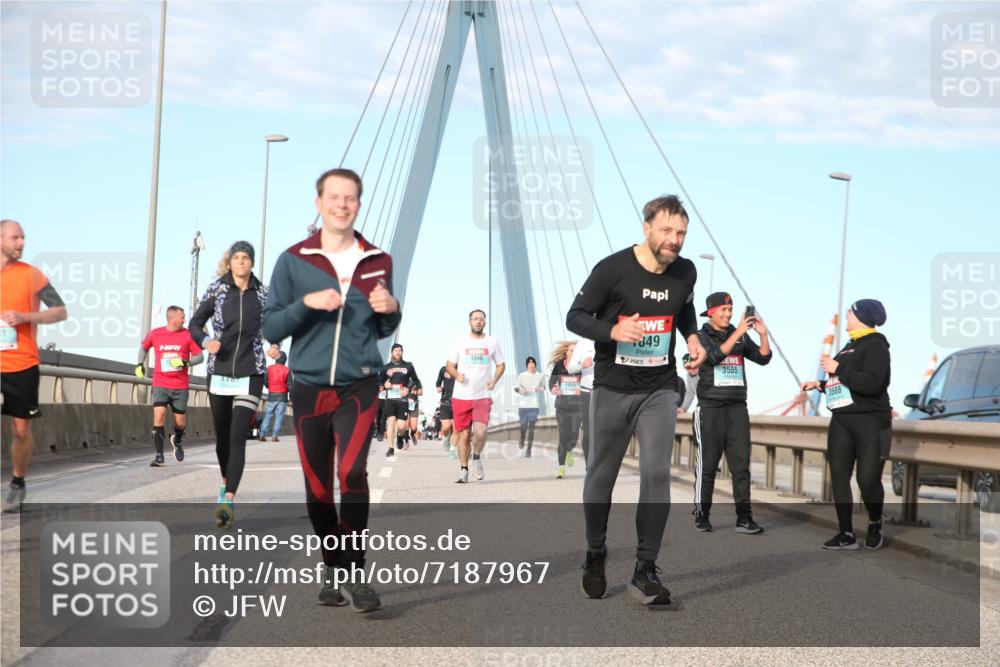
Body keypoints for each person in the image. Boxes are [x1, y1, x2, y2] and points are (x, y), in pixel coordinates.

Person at [264, 167, 401, 612]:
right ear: (319, 202)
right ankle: (332, 566)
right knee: (319, 488)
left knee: (352, 473)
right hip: (309, 387)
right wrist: (306, 304)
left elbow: (383, 327)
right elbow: (271, 327)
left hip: (359, 383)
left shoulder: (379, 259)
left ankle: (356, 572)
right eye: (334, 197)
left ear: (358, 204)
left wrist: (391, 309)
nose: (342, 205)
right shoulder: (293, 260)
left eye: (350, 198)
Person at [566, 194, 705, 606]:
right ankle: (595, 550)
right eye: (666, 230)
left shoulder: (686, 272)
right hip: (613, 387)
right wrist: (612, 332)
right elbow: (575, 316)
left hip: (659, 389)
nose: (674, 239)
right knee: (601, 474)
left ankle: (645, 569)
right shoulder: (613, 269)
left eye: (681, 233)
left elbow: (684, 309)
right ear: (646, 228)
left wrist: (692, 337)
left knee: (656, 473)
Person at [189, 241, 268, 530]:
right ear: (230, 261)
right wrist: (205, 341)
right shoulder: (217, 290)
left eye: (246, 257)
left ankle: (229, 498)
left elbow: (274, 326)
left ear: (252, 262)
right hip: (219, 370)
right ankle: (226, 481)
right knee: (223, 437)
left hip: (252, 371)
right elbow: (195, 323)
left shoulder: (264, 294)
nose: (241, 262)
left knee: (237, 436)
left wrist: (275, 345)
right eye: (237, 257)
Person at [801, 299, 890, 551]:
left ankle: (874, 522)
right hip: (841, 420)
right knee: (839, 476)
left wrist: (837, 367)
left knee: (867, 480)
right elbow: (844, 383)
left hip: (870, 421)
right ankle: (846, 533)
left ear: (861, 316)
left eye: (851, 311)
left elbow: (873, 383)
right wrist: (820, 385)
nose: (847, 314)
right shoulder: (849, 346)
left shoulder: (876, 346)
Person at [0, 220, 68, 512]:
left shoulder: (31, 275)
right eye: (15, 237)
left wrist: (25, 317)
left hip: (22, 362)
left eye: (23, 237)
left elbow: (60, 311)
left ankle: (18, 481)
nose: (22, 243)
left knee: (21, 430)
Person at [691, 292, 771, 534]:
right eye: (723, 310)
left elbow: (763, 358)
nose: (728, 314)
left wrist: (763, 334)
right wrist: (739, 332)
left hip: (737, 407)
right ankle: (702, 513)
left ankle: (744, 518)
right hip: (710, 408)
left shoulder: (740, 336)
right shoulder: (701, 337)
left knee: (741, 466)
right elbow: (714, 357)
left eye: (730, 310)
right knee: (708, 466)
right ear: (711, 312)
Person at [135, 306, 204, 466]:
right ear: (172, 319)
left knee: (180, 423)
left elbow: (200, 357)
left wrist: (185, 362)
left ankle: (177, 440)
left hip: (180, 386)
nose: (184, 320)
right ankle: (159, 456)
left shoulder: (188, 335)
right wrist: (139, 364)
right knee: (159, 415)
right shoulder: (156, 333)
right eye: (182, 317)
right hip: (161, 382)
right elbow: (143, 348)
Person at [446, 309, 505, 483]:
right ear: (469, 322)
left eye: (481, 319)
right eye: (475, 319)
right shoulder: (459, 341)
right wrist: (457, 375)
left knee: (480, 432)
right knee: (463, 435)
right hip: (461, 395)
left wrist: (494, 380)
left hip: (482, 395)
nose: (478, 321)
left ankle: (476, 456)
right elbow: (449, 366)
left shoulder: (492, 342)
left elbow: (501, 365)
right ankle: (463, 470)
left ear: (485, 322)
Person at [548, 342, 582, 479]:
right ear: (566, 352)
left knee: (574, 436)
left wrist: (582, 389)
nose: (573, 353)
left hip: (577, 406)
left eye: (575, 350)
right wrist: (554, 389)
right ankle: (561, 468)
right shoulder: (559, 365)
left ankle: (569, 450)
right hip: (561, 406)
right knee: (563, 436)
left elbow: (588, 382)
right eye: (571, 350)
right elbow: (551, 382)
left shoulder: (580, 366)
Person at [379, 343, 420, 455]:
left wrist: (408, 389)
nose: (397, 352)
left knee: (402, 427)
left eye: (399, 350)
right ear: (392, 352)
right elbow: (379, 382)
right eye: (395, 350)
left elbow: (416, 380)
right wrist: (384, 385)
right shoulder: (386, 367)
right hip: (390, 399)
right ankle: (390, 448)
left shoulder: (408, 366)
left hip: (403, 400)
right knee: (391, 423)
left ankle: (400, 436)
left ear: (402, 352)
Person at [565, 338, 596, 466]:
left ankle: (600, 466)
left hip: (605, 392)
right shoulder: (583, 344)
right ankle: (589, 467)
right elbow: (570, 369)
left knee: (605, 431)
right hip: (587, 392)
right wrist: (582, 365)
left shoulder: (610, 338)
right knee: (588, 432)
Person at [514, 356, 544, 457]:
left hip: (534, 405)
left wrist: (539, 389)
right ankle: (522, 438)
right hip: (523, 405)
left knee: (531, 427)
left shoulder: (540, 376)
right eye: (529, 363)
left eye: (533, 363)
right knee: (524, 426)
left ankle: (529, 450)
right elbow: (516, 388)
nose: (531, 365)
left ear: (535, 364)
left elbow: (544, 387)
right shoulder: (522, 376)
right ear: (527, 365)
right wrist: (520, 390)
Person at [260, 344, 291, 442]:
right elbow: (290, 385)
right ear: (285, 360)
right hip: (282, 397)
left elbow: (265, 380)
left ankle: (262, 434)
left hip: (271, 395)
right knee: (279, 416)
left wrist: (269, 387)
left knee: (268, 415)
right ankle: (274, 436)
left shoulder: (269, 368)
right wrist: (290, 396)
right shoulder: (287, 370)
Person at [435, 365, 457, 458]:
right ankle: (446, 438)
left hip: (458, 401)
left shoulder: (463, 368)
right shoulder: (444, 369)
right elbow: (438, 382)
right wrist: (438, 387)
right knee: (446, 427)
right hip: (445, 402)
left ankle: (452, 449)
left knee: (456, 428)